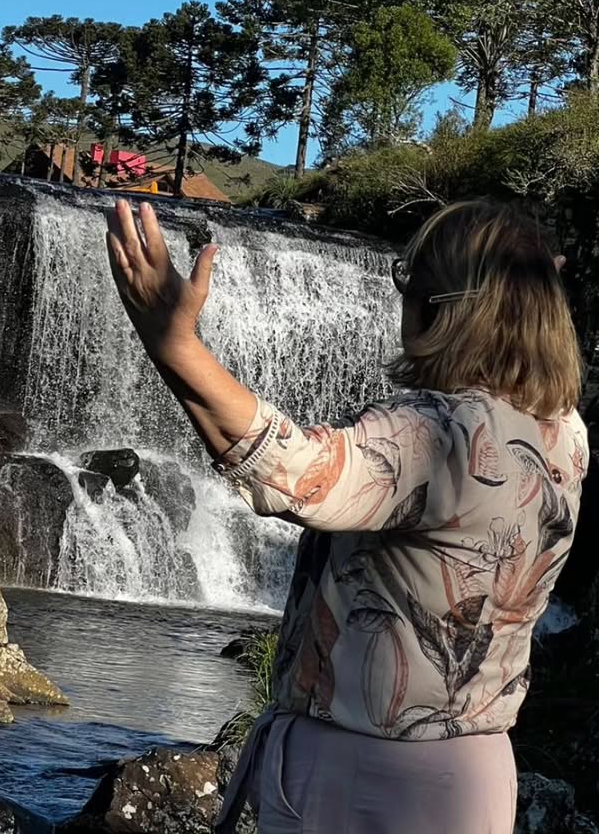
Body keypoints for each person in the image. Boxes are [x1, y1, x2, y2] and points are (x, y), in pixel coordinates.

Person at [104, 197, 586, 834]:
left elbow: (296, 476)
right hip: (473, 769)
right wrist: (172, 350)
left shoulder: (438, 434)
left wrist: (173, 339)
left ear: (444, 309)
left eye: (409, 281)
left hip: (369, 777)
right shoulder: (563, 433)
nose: (401, 298)